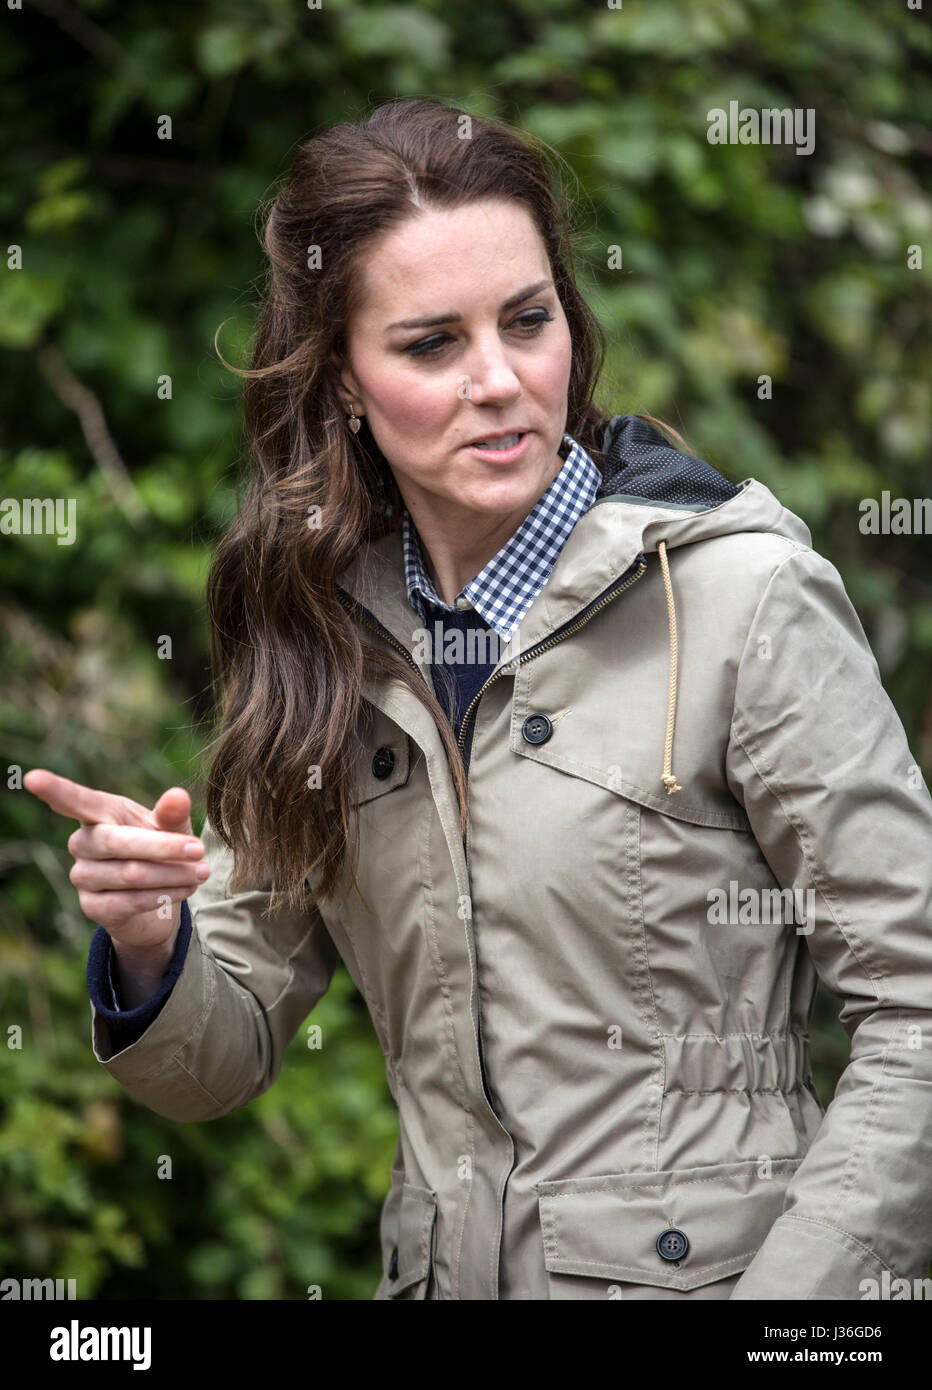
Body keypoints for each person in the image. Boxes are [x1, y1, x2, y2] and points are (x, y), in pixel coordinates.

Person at [25, 97, 932, 1302]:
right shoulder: (317, 636)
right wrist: (147, 946)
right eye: (429, 345)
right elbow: (215, 1062)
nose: (499, 381)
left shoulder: (743, 599)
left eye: (526, 320)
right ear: (343, 378)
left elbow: (915, 1010)